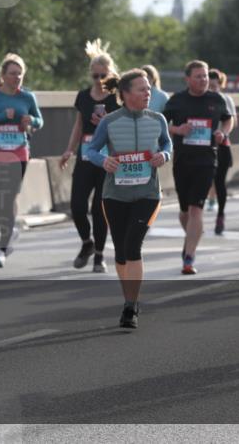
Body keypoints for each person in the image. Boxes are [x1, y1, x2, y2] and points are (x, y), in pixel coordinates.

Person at [83, 69, 172, 328]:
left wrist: (164, 156)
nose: (148, 93)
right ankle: (128, 298)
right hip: (115, 195)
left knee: (133, 246)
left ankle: (131, 307)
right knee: (121, 252)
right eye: (142, 89)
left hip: (147, 193)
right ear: (125, 94)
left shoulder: (158, 120)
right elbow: (91, 149)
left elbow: (167, 144)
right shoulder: (109, 122)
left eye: (149, 88)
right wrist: (104, 160)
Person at [163, 60, 233, 274]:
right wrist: (177, 129)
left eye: (205, 76)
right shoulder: (177, 100)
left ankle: (189, 257)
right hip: (182, 160)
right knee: (185, 210)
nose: (203, 80)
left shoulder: (216, 99)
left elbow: (228, 119)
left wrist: (223, 133)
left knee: (196, 208)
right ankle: (192, 236)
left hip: (207, 160)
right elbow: (162, 124)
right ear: (188, 79)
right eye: (198, 76)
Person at [0, 53, 43, 267]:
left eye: (20, 74)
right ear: (3, 75)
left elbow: (39, 121)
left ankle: (2, 249)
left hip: (19, 153)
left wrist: (30, 120)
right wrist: (2, 116)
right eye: (13, 74)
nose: (17, 77)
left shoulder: (27, 97)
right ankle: (10, 230)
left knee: (11, 195)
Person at [58, 39, 120, 273]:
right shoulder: (83, 97)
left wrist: (107, 123)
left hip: (107, 160)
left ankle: (100, 255)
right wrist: (69, 149)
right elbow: (78, 125)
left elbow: (125, 126)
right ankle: (87, 243)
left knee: (99, 210)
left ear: (110, 74)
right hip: (85, 158)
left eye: (103, 75)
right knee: (76, 205)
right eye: (95, 76)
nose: (99, 80)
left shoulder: (117, 97)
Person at [206, 69, 237, 234]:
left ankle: (220, 215)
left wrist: (223, 132)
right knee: (204, 181)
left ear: (220, 86)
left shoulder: (225, 99)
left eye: (214, 86)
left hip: (222, 144)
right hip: (203, 146)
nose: (211, 90)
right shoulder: (201, 100)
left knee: (219, 182)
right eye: (208, 86)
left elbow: (232, 121)